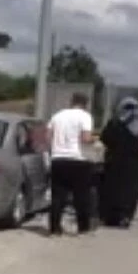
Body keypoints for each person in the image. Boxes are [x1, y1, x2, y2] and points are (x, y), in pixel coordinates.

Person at [47, 92, 96, 236]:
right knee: (81, 196)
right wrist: (94, 139)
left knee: (57, 196)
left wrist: (55, 148)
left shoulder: (57, 115)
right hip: (78, 160)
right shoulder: (85, 117)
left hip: (58, 159)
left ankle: (55, 228)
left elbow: (48, 136)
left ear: (71, 102)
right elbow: (86, 138)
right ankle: (83, 227)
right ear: (85, 104)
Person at [98, 96, 138, 228]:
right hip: (133, 161)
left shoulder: (115, 122)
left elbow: (104, 138)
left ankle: (112, 217)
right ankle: (126, 216)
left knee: (113, 188)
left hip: (114, 160)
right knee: (131, 189)